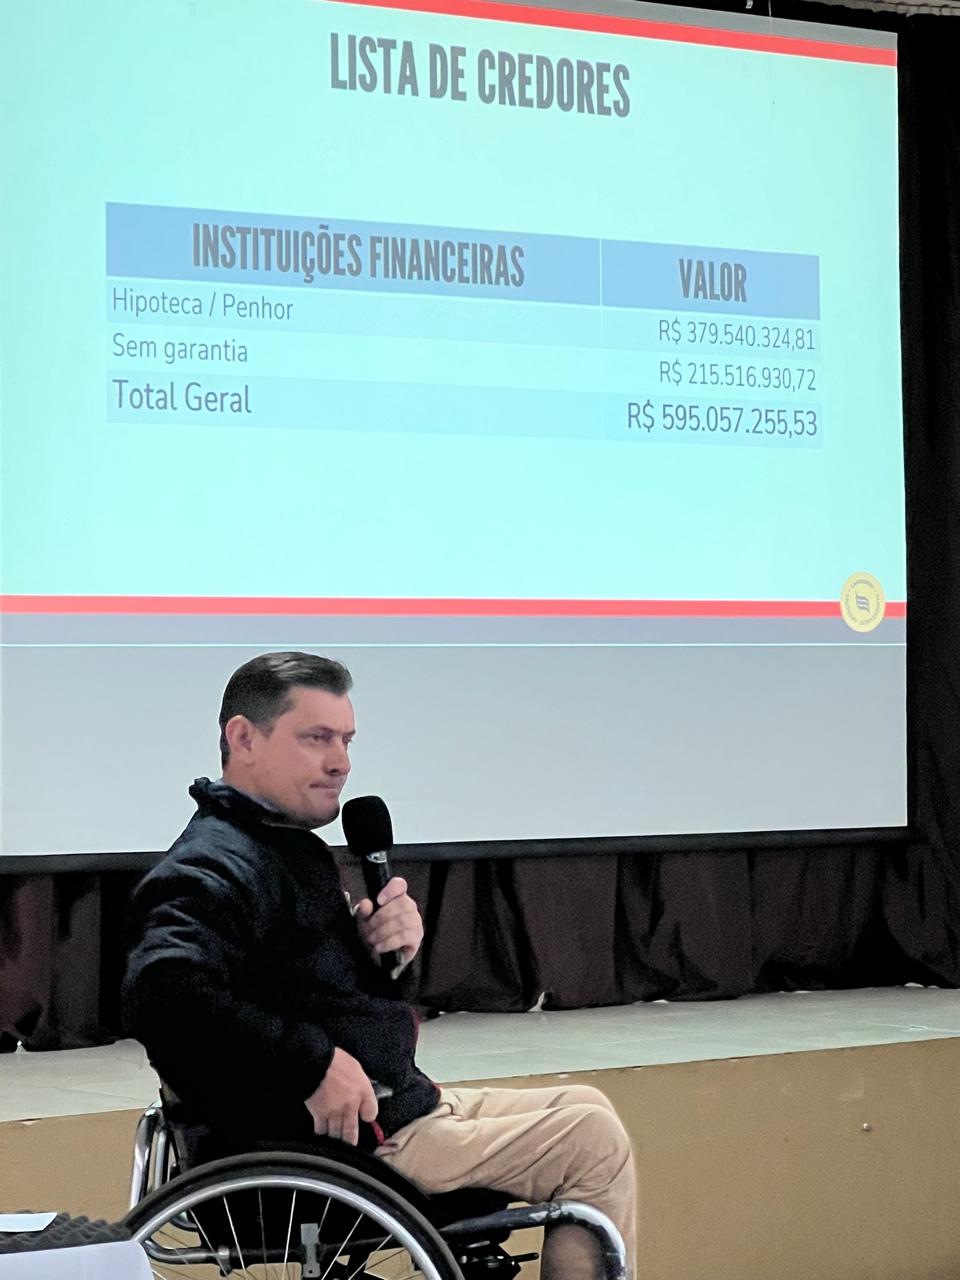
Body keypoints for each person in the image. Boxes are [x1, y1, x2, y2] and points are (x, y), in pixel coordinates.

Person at [122, 652, 637, 1280]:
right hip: (330, 1150)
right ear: (243, 738)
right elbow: (162, 992)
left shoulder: (277, 846)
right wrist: (311, 1063)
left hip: (384, 1110)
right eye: (317, 738)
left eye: (346, 741)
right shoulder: (215, 863)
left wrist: (377, 958)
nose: (340, 761)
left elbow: (307, 993)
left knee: (586, 1102)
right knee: (591, 1143)